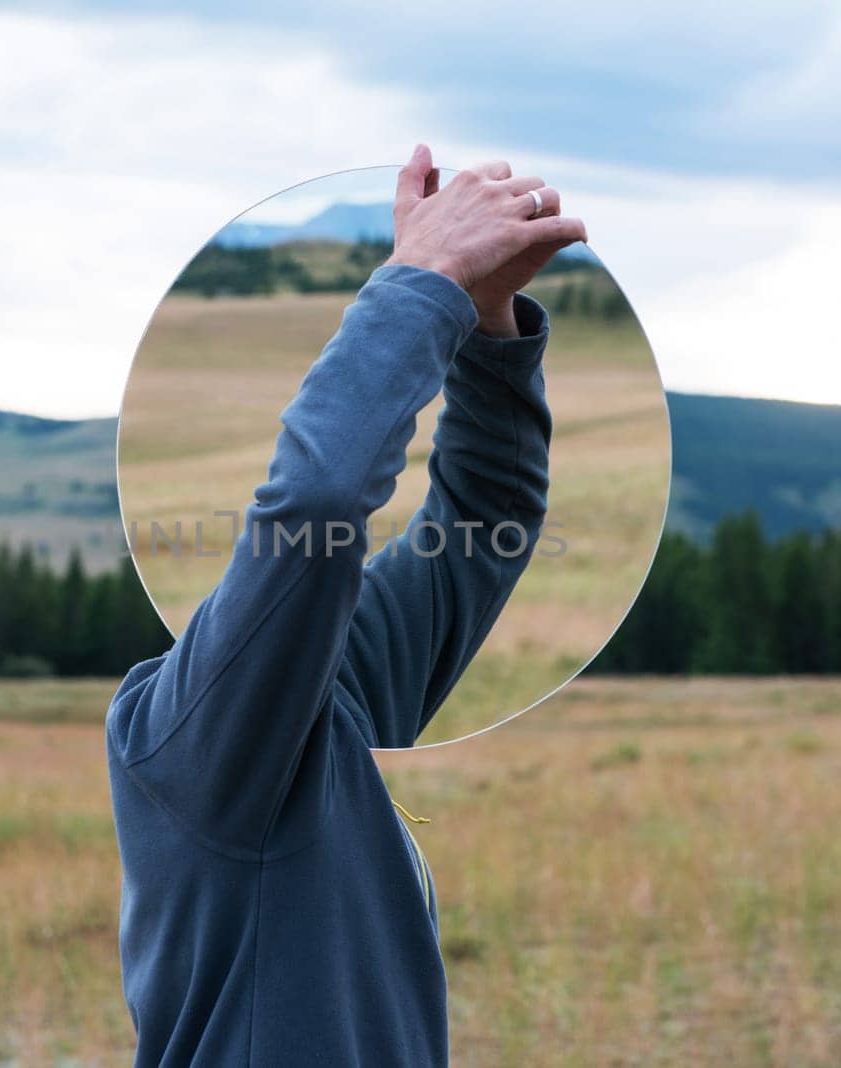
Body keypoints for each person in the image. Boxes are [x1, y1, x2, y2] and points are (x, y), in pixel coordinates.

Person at [105, 143, 585, 1066]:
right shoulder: (194, 746)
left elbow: (485, 520)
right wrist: (421, 281)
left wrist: (487, 326)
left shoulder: (335, 687)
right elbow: (319, 503)